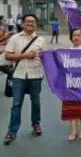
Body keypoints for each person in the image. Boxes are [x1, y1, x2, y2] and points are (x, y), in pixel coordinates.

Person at [3, 14, 45, 145]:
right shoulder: (15, 38)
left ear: (36, 24)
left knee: (36, 102)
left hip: (35, 75)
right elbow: (8, 56)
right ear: (23, 24)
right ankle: (12, 130)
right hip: (19, 75)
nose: (30, 23)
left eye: (32, 21)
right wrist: (25, 55)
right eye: (27, 21)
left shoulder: (41, 40)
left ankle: (36, 124)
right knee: (16, 104)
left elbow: (46, 58)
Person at [61, 15, 81, 141]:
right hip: (70, 84)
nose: (76, 37)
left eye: (78, 35)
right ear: (71, 38)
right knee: (71, 108)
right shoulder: (67, 51)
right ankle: (73, 131)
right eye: (74, 35)